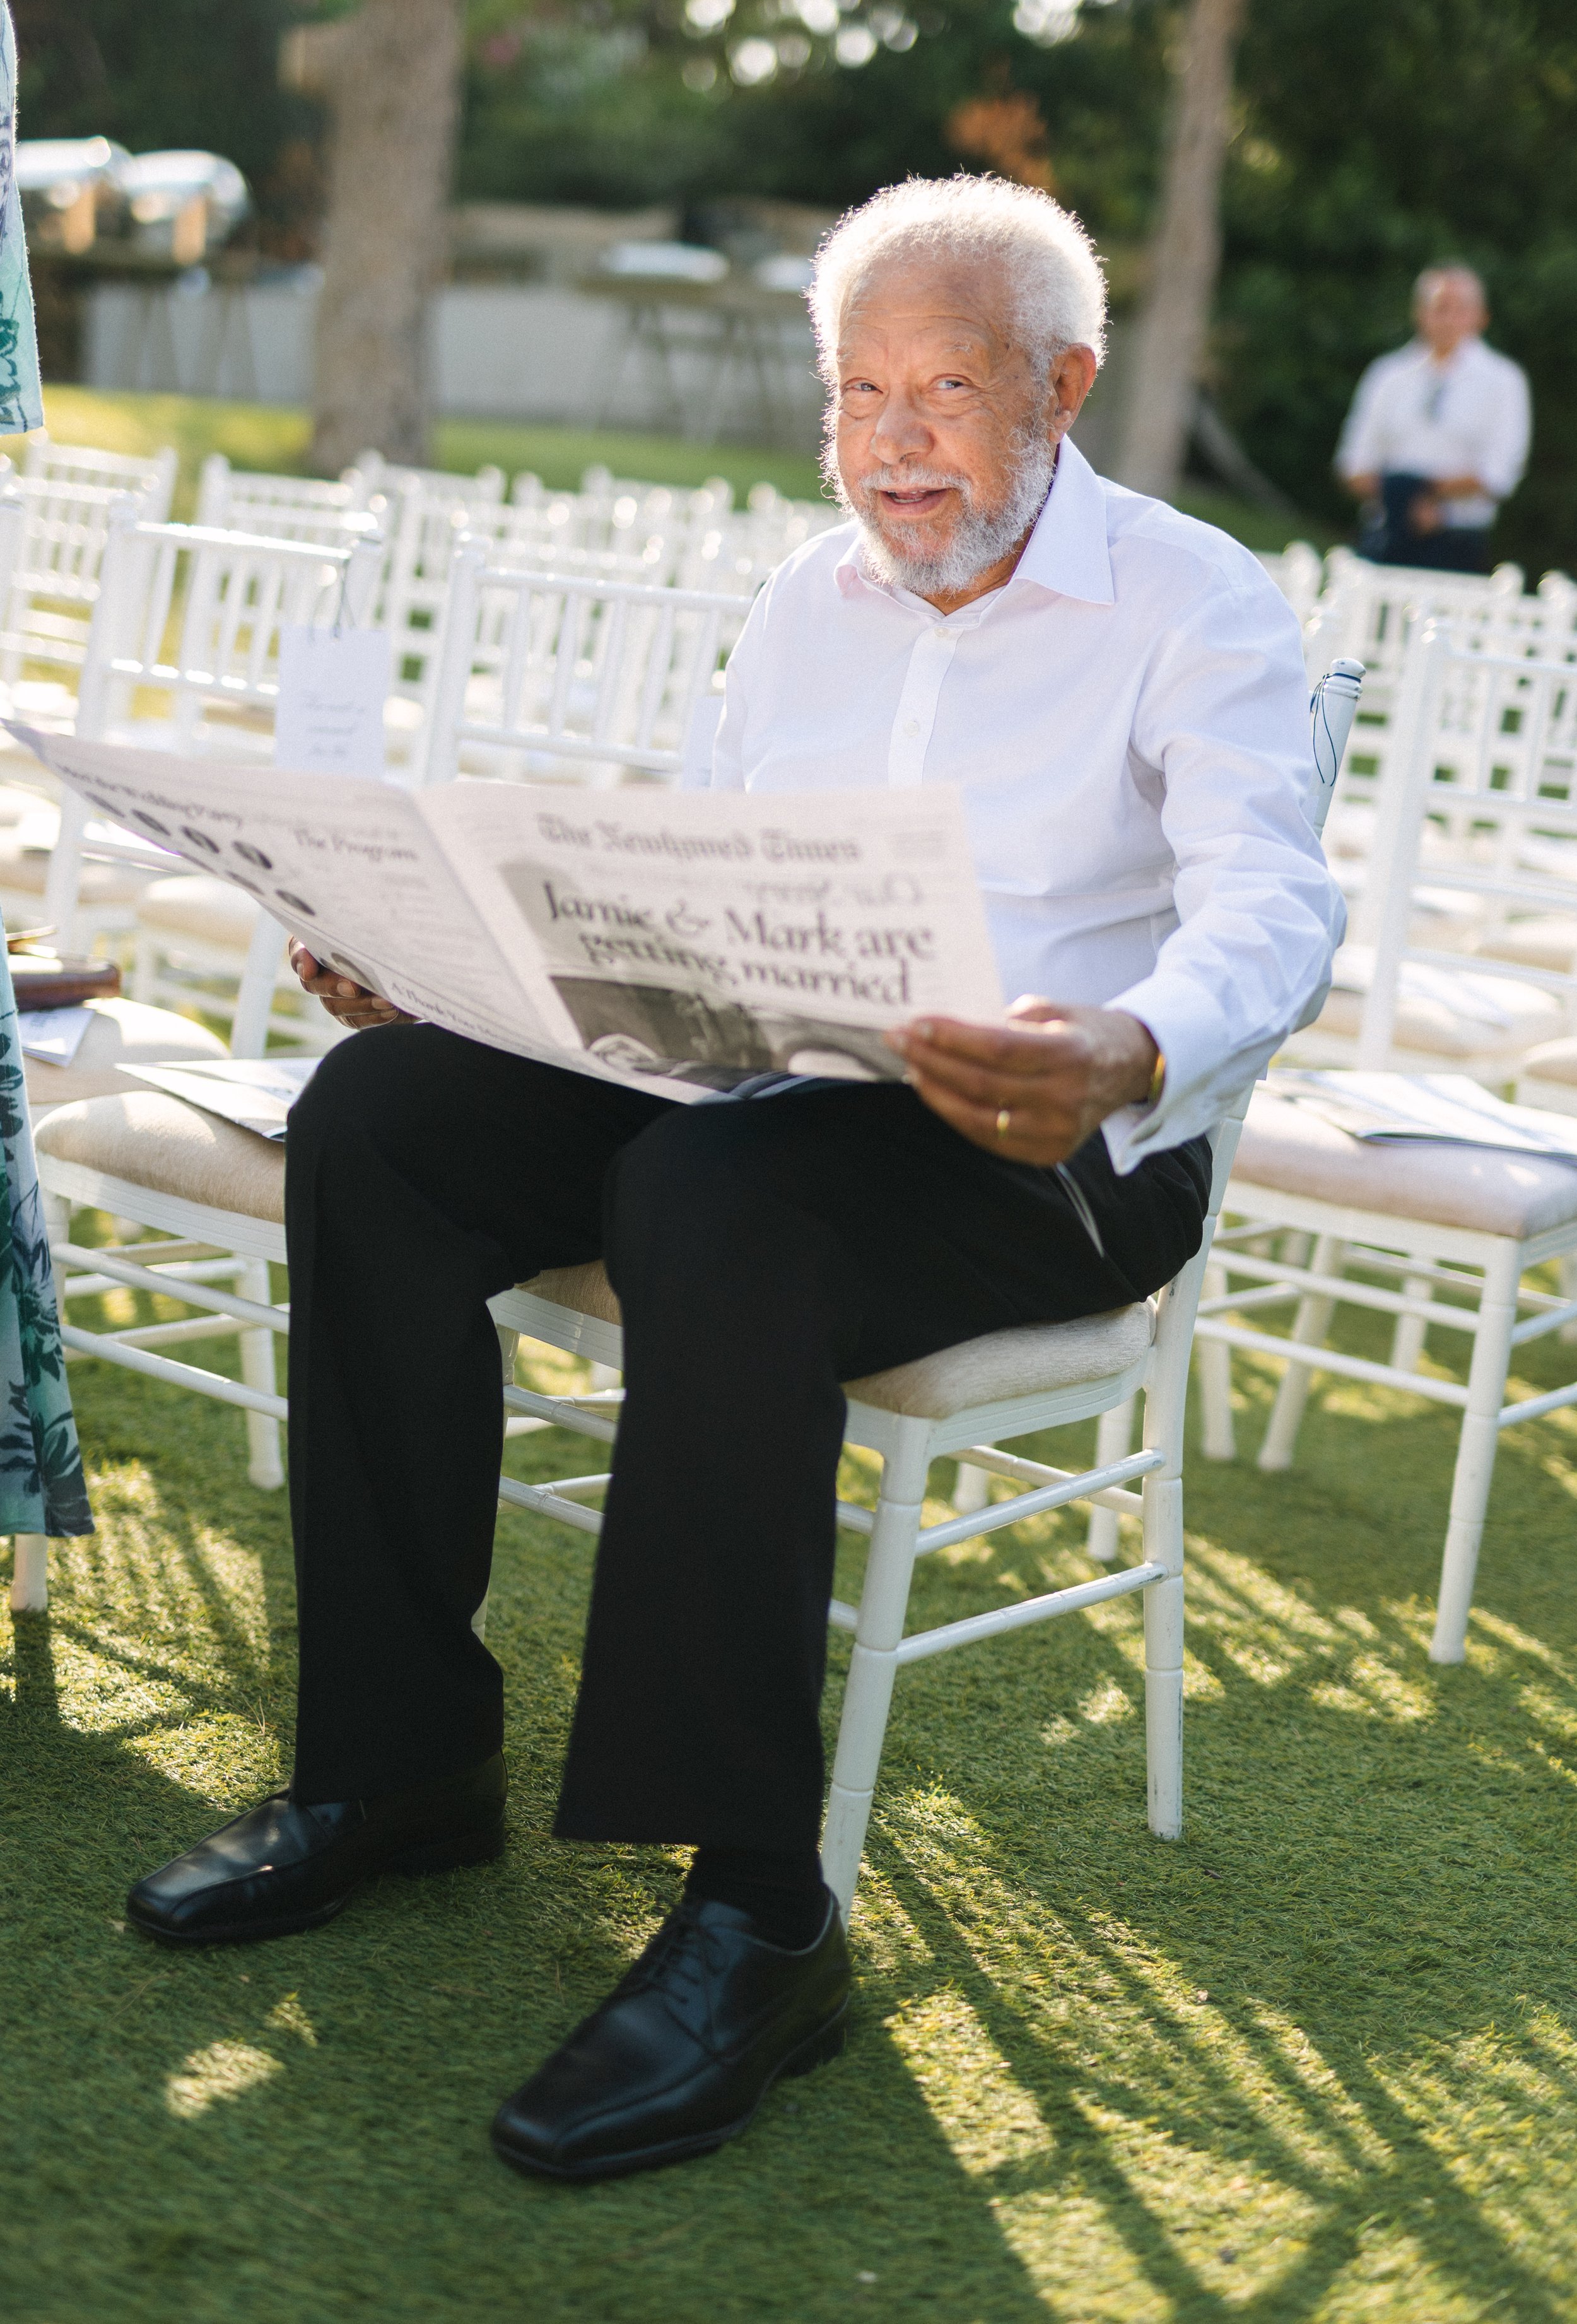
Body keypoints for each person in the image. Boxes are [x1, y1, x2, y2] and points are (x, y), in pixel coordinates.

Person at [125, 175, 1345, 2184]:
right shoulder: (801, 604)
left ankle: (759, 1911)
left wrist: (1120, 1045)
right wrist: (434, 974)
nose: (887, 439)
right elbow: (678, 908)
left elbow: (1268, 902)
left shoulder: (1193, 597)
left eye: (942, 388)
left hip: (1051, 1138)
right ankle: (398, 1760)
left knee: (716, 1206)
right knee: (383, 1120)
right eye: (856, 388)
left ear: (1064, 383)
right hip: (764, 1092)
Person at [1335, 264, 1530, 573]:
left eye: (1461, 309)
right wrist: (1402, 500)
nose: (1449, 319)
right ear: (1420, 312)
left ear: (1481, 317)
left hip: (1457, 541)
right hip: (1385, 536)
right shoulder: (1388, 375)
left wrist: (1432, 497)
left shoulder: (1503, 381)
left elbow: (1498, 472)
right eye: (1440, 307)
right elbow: (1355, 462)